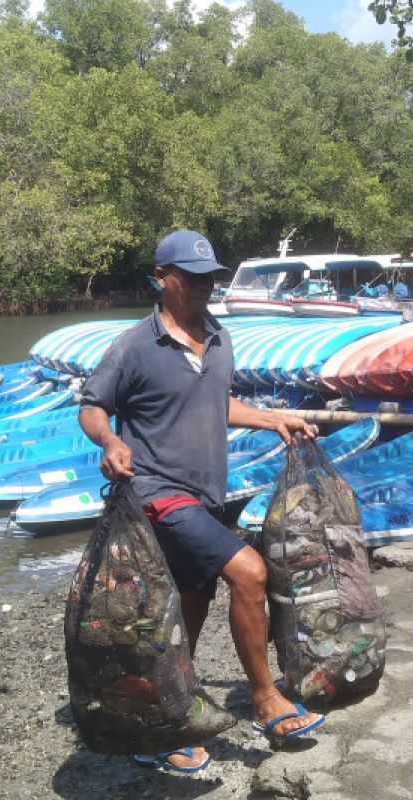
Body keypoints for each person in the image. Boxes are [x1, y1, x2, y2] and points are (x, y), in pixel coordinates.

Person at [78, 229, 325, 775]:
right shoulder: (135, 345)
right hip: (156, 494)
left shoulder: (218, 336)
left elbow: (218, 402)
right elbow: (93, 406)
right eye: (191, 279)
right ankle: (266, 702)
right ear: (162, 279)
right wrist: (111, 440)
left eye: (210, 278)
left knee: (189, 606)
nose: (203, 288)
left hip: (205, 493)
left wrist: (272, 418)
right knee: (250, 572)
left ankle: (167, 714)